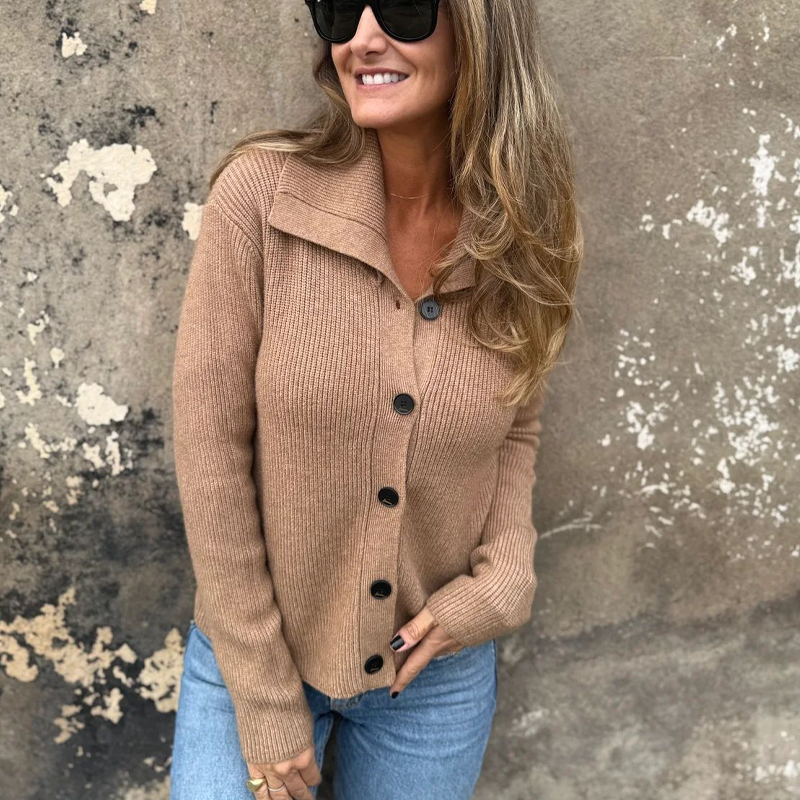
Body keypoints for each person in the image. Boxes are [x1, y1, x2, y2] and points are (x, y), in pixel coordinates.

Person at [169, 0, 583, 797]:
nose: (361, 39)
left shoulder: (526, 230)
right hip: (254, 663)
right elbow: (210, 448)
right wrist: (265, 699)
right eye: (338, 8)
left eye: (402, 5)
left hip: (433, 679)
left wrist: (505, 574)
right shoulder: (262, 198)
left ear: (481, 24)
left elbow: (515, 421)